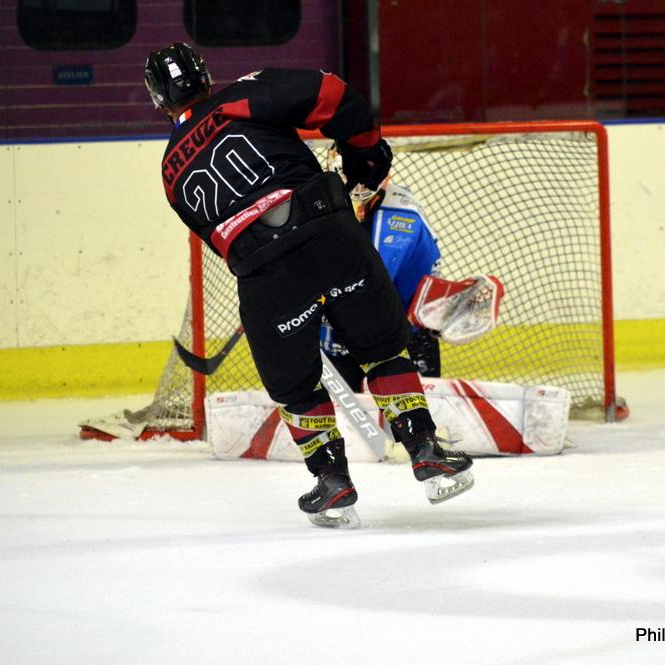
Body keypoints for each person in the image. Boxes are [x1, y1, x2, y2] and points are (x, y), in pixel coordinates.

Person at [143, 43, 473, 528]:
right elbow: (334, 94)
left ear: (157, 99)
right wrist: (364, 159)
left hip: (262, 273)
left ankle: (332, 482)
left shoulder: (171, 170)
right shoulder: (240, 96)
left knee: (295, 387)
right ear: (205, 76)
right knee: (382, 347)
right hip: (328, 234)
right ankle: (425, 450)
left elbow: (222, 243)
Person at [319, 152, 442, 392]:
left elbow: (364, 290)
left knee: (407, 423)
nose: (357, 186)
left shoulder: (400, 218)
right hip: (336, 343)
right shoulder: (318, 201)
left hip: (402, 340)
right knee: (337, 423)